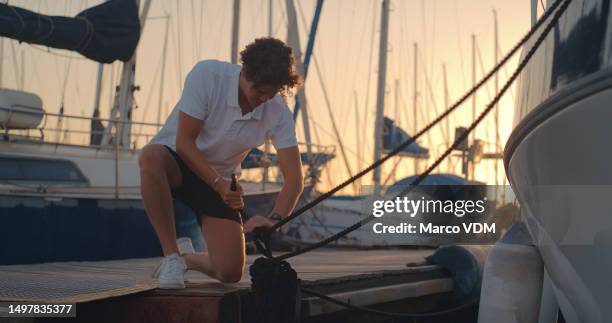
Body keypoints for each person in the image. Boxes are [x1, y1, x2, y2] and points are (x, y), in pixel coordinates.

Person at [138, 38, 304, 289]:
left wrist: (275, 218)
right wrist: (219, 184)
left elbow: (294, 177)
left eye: (270, 94)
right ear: (244, 73)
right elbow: (184, 143)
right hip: (177, 161)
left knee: (229, 272)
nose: (262, 99)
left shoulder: (278, 110)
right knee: (149, 156)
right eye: (258, 90)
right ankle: (171, 256)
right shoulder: (207, 76)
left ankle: (187, 259)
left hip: (221, 180)